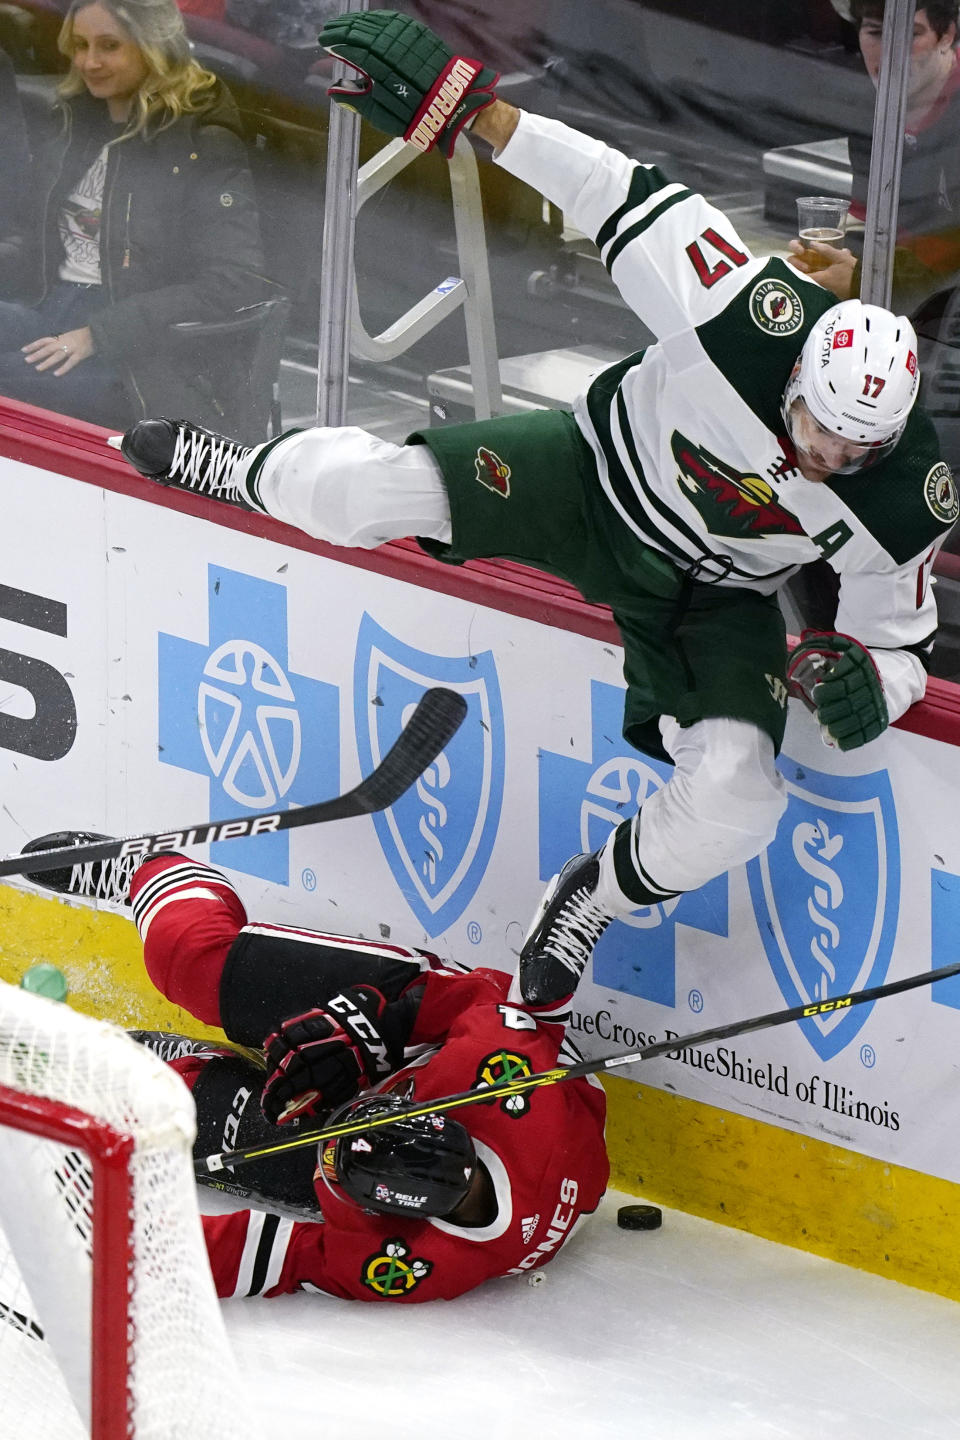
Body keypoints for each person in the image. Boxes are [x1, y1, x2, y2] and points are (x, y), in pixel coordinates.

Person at [117, 9, 958, 1013]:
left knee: (740, 795)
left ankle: (590, 901)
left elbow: (898, 642)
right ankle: (246, 471)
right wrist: (475, 112)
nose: (829, 458)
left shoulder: (907, 496)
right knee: (359, 494)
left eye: (856, 450)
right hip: (589, 477)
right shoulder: (744, 311)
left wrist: (874, 681)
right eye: (820, 429)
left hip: (711, 591)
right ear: (800, 373)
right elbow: (613, 189)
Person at [21, 835, 610, 1302]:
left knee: (169, 1118)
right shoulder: (500, 1080)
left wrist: (93, 1236)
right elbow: (527, 995)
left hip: (410, 1122)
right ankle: (149, 872)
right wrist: (368, 1028)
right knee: (196, 967)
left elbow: (246, 1254)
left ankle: (187, 1070)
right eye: (356, 1120)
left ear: (384, 1215)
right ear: (427, 1113)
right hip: (430, 1030)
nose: (327, 1128)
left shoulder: (404, 1264)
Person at [0, 0, 271, 431]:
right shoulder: (77, 117)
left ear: (153, 48)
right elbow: (41, 242)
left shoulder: (200, 139)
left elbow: (235, 280)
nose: (90, 62)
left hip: (139, 352)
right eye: (80, 45)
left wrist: (98, 334)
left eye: (109, 46)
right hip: (52, 304)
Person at [788, 1, 960, 314]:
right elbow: (872, 222)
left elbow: (951, 256)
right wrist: (834, 263)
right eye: (876, 32)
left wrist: (862, 279)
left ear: (947, 35)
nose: (891, 52)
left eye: (911, 34)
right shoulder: (872, 107)